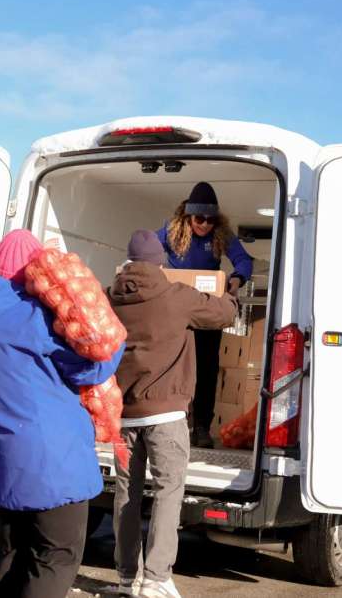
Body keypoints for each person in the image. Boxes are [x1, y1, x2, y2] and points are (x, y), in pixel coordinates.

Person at [0, 230, 124, 598]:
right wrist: (109, 334)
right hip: (54, 462)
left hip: (3, 459)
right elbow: (92, 367)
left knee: (12, 555)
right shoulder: (31, 317)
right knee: (55, 557)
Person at [108, 231, 237, 598]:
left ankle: (124, 576)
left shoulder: (109, 297)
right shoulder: (176, 297)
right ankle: (156, 578)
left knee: (126, 494)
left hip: (123, 416)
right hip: (165, 415)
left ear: (128, 262)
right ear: (160, 262)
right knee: (167, 491)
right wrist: (230, 296)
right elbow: (224, 314)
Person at [157, 182, 253, 448]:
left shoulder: (221, 234)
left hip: (206, 311)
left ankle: (201, 428)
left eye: (211, 220)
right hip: (176, 313)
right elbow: (148, 248)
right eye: (199, 218)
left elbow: (244, 260)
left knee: (206, 370)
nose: (205, 225)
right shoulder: (171, 230)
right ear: (188, 215)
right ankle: (172, 424)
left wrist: (236, 279)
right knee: (173, 369)